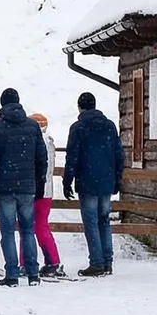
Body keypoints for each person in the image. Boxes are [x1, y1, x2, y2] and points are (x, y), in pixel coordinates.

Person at [0, 87, 49, 286]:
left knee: (8, 232)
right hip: (27, 185)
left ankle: (12, 273)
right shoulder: (32, 126)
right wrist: (40, 182)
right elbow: (41, 158)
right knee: (28, 230)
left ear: (2, 104)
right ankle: (33, 272)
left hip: (5, 187)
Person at [65, 91, 125, 277]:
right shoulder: (109, 126)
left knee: (91, 222)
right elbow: (118, 154)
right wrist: (117, 178)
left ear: (80, 107)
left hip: (87, 179)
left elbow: (72, 157)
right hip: (106, 179)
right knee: (104, 221)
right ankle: (107, 261)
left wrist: (67, 181)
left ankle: (97, 262)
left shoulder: (78, 128)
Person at [23, 112, 63, 279]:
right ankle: (52, 260)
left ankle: (26, 262)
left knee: (26, 227)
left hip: (33, 189)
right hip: (46, 191)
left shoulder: (35, 141)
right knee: (41, 226)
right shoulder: (49, 141)